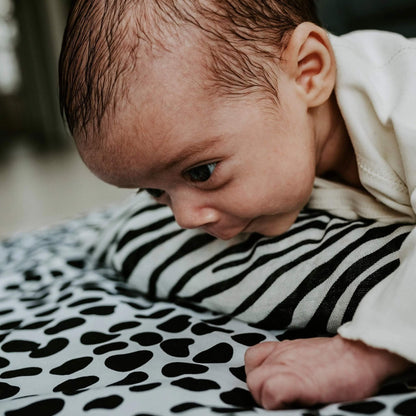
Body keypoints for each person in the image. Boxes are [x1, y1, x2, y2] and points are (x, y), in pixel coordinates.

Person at [59, 0, 416, 409]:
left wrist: (366, 350)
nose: (184, 219)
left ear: (308, 72)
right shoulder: (279, 138)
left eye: (201, 172)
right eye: (154, 192)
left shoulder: (405, 102)